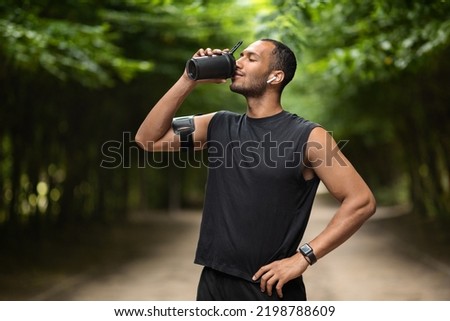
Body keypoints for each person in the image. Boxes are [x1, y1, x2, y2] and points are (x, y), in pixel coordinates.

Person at [135, 39, 376, 300]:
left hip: (269, 288)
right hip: (213, 283)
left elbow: (361, 201)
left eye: (250, 58)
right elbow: (147, 139)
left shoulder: (310, 137)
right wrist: (189, 78)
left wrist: (304, 257)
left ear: (275, 76)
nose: (237, 63)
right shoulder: (217, 124)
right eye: (240, 57)